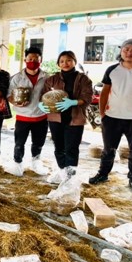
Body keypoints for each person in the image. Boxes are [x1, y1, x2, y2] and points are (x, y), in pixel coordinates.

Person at [89, 39, 132, 192]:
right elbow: (105, 92)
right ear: (121, 51)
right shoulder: (112, 70)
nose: (130, 52)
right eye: (126, 49)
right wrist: (103, 113)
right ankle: (102, 174)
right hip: (112, 117)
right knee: (108, 149)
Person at [39, 50, 92, 182]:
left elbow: (87, 97)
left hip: (75, 118)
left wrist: (73, 102)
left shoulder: (83, 79)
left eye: (69, 60)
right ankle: (63, 172)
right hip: (56, 118)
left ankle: (70, 178)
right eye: (62, 61)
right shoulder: (52, 79)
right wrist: (42, 105)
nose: (65, 63)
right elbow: (43, 95)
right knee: (59, 148)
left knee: (72, 149)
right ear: (58, 64)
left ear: (74, 61)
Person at [7, 47, 49, 176]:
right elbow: (9, 95)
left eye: (36, 59)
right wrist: (15, 102)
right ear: (25, 60)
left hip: (41, 116)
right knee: (19, 143)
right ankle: (17, 165)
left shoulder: (47, 77)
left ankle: (36, 164)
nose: (33, 61)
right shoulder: (16, 78)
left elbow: (52, 94)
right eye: (30, 59)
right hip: (23, 117)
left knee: (38, 143)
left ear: (40, 60)